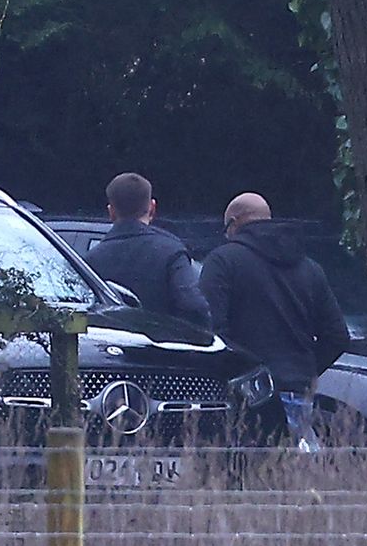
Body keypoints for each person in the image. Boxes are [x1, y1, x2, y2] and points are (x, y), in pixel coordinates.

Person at [199, 192, 350, 449]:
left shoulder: (223, 261)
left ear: (234, 223)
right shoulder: (309, 267)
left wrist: (239, 376)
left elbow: (209, 330)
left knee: (246, 478)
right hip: (297, 390)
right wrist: (304, 371)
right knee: (294, 479)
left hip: (245, 397)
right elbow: (337, 336)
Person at [84, 173, 211, 327]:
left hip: (111, 346)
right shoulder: (172, 251)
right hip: (162, 345)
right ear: (152, 208)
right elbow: (194, 307)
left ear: (111, 212)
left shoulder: (90, 260)